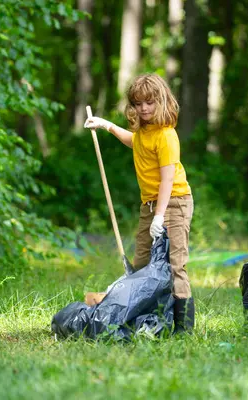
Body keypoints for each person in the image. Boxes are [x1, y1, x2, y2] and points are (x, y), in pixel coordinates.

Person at [84, 73, 195, 333]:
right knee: (142, 263)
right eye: (138, 103)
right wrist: (106, 125)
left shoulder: (166, 135)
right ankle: (150, 321)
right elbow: (133, 142)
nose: (143, 109)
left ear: (162, 101)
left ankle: (183, 329)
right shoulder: (143, 132)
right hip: (149, 206)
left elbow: (167, 180)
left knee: (175, 264)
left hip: (174, 203)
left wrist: (160, 216)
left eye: (149, 102)